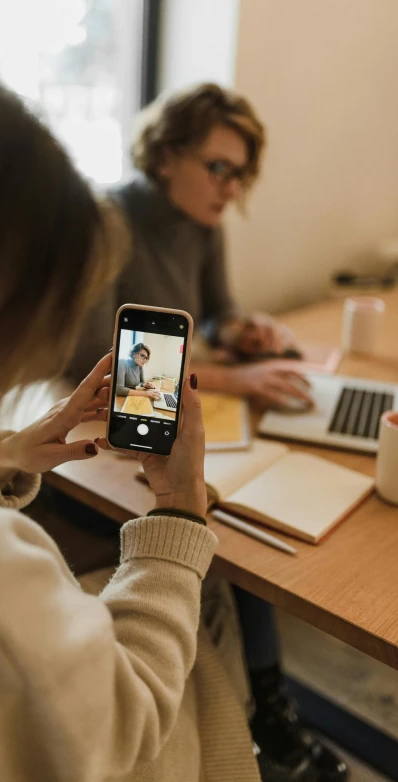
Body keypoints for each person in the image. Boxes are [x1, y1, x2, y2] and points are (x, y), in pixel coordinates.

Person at [0, 36, 266, 782]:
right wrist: (181, 504)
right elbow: (117, 728)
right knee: (207, 587)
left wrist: (4, 455)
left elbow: (216, 314)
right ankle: (252, 742)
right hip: (126, 740)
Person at [67, 84, 347, 782]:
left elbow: (214, 313)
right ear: (166, 156)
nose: (232, 188)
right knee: (227, 520)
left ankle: (266, 705)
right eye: (219, 167)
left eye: (242, 173)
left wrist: (242, 333)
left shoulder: (203, 221)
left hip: (186, 414)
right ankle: (266, 713)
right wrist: (235, 381)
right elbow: (87, 361)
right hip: (100, 439)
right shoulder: (105, 221)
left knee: (250, 504)